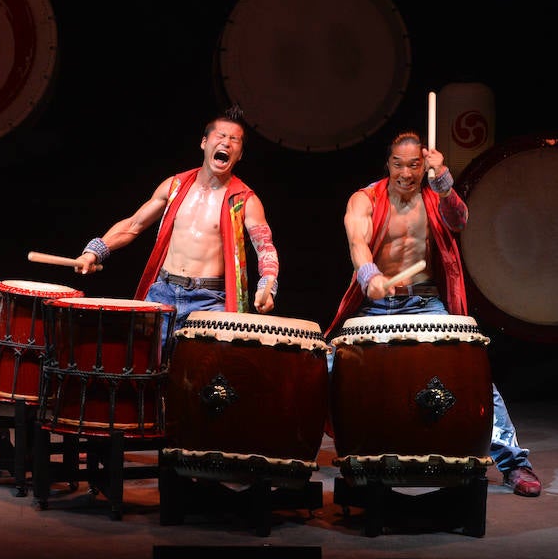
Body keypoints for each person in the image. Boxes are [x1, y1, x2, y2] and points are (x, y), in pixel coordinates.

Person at [325, 131, 542, 497]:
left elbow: (459, 220)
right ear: (388, 164)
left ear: (423, 164)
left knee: (472, 374)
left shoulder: (433, 196)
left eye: (414, 165)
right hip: (377, 304)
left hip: (426, 303)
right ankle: (286, 455)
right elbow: (357, 242)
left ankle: (515, 464)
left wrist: (443, 180)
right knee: (326, 369)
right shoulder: (366, 198)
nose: (405, 173)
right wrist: (369, 275)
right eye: (398, 164)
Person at [73, 105, 279, 341]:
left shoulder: (245, 200)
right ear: (204, 142)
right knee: (144, 369)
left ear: (240, 154)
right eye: (220, 136)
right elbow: (133, 225)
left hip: (210, 302)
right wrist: (94, 252)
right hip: (163, 293)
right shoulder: (175, 186)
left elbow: (265, 248)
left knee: (207, 374)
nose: (227, 143)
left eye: (235, 140)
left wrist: (267, 285)